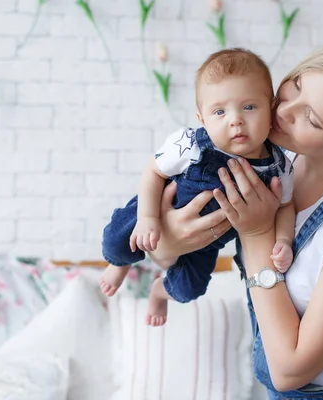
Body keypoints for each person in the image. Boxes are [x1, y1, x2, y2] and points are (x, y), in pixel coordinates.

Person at [146, 35, 323, 399]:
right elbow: (165, 252)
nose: (282, 111)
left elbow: (289, 371)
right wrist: (170, 240)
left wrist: (256, 234)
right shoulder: (279, 162)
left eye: (311, 118)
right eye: (297, 85)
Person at [99, 48, 296, 327]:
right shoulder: (190, 145)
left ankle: (159, 292)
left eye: (249, 107)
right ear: (202, 118)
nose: (235, 119)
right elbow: (153, 172)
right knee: (117, 240)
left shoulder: (280, 167)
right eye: (219, 111)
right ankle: (120, 263)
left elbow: (287, 206)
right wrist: (148, 218)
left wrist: (285, 240)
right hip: (160, 208)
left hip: (208, 242)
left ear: (271, 107)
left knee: (189, 289)